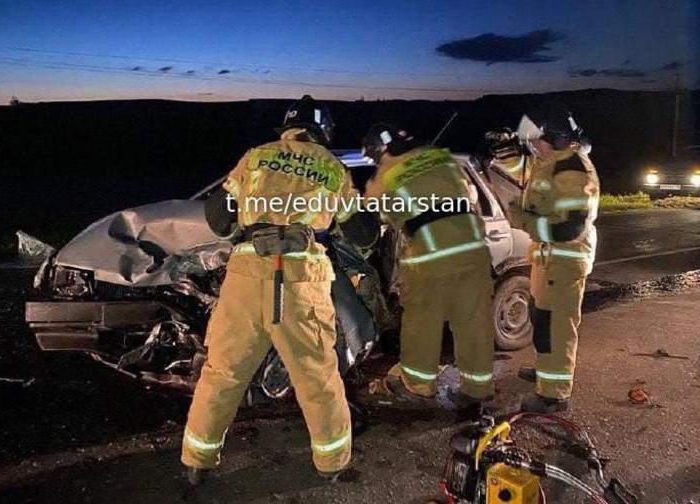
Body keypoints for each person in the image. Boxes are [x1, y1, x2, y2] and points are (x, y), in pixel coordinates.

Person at [182, 96, 368, 484]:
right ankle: (332, 466)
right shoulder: (332, 167)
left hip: (246, 276)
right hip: (302, 280)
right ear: (323, 132)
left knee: (223, 374)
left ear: (286, 127)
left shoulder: (255, 157)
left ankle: (196, 462)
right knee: (318, 378)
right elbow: (363, 232)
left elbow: (218, 219)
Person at [362, 123, 495, 407]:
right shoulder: (441, 157)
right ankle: (477, 389)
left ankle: (418, 385)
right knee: (473, 325)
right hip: (474, 252)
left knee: (422, 324)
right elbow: (470, 196)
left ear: (380, 150)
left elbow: (371, 217)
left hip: (431, 259)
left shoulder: (386, 174)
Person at [505, 112, 600, 413]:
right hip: (547, 260)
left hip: (564, 261)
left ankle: (554, 394)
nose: (533, 145)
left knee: (556, 328)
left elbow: (571, 227)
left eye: (537, 140)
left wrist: (526, 222)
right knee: (541, 320)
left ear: (555, 140)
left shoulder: (573, 170)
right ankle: (547, 372)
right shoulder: (553, 162)